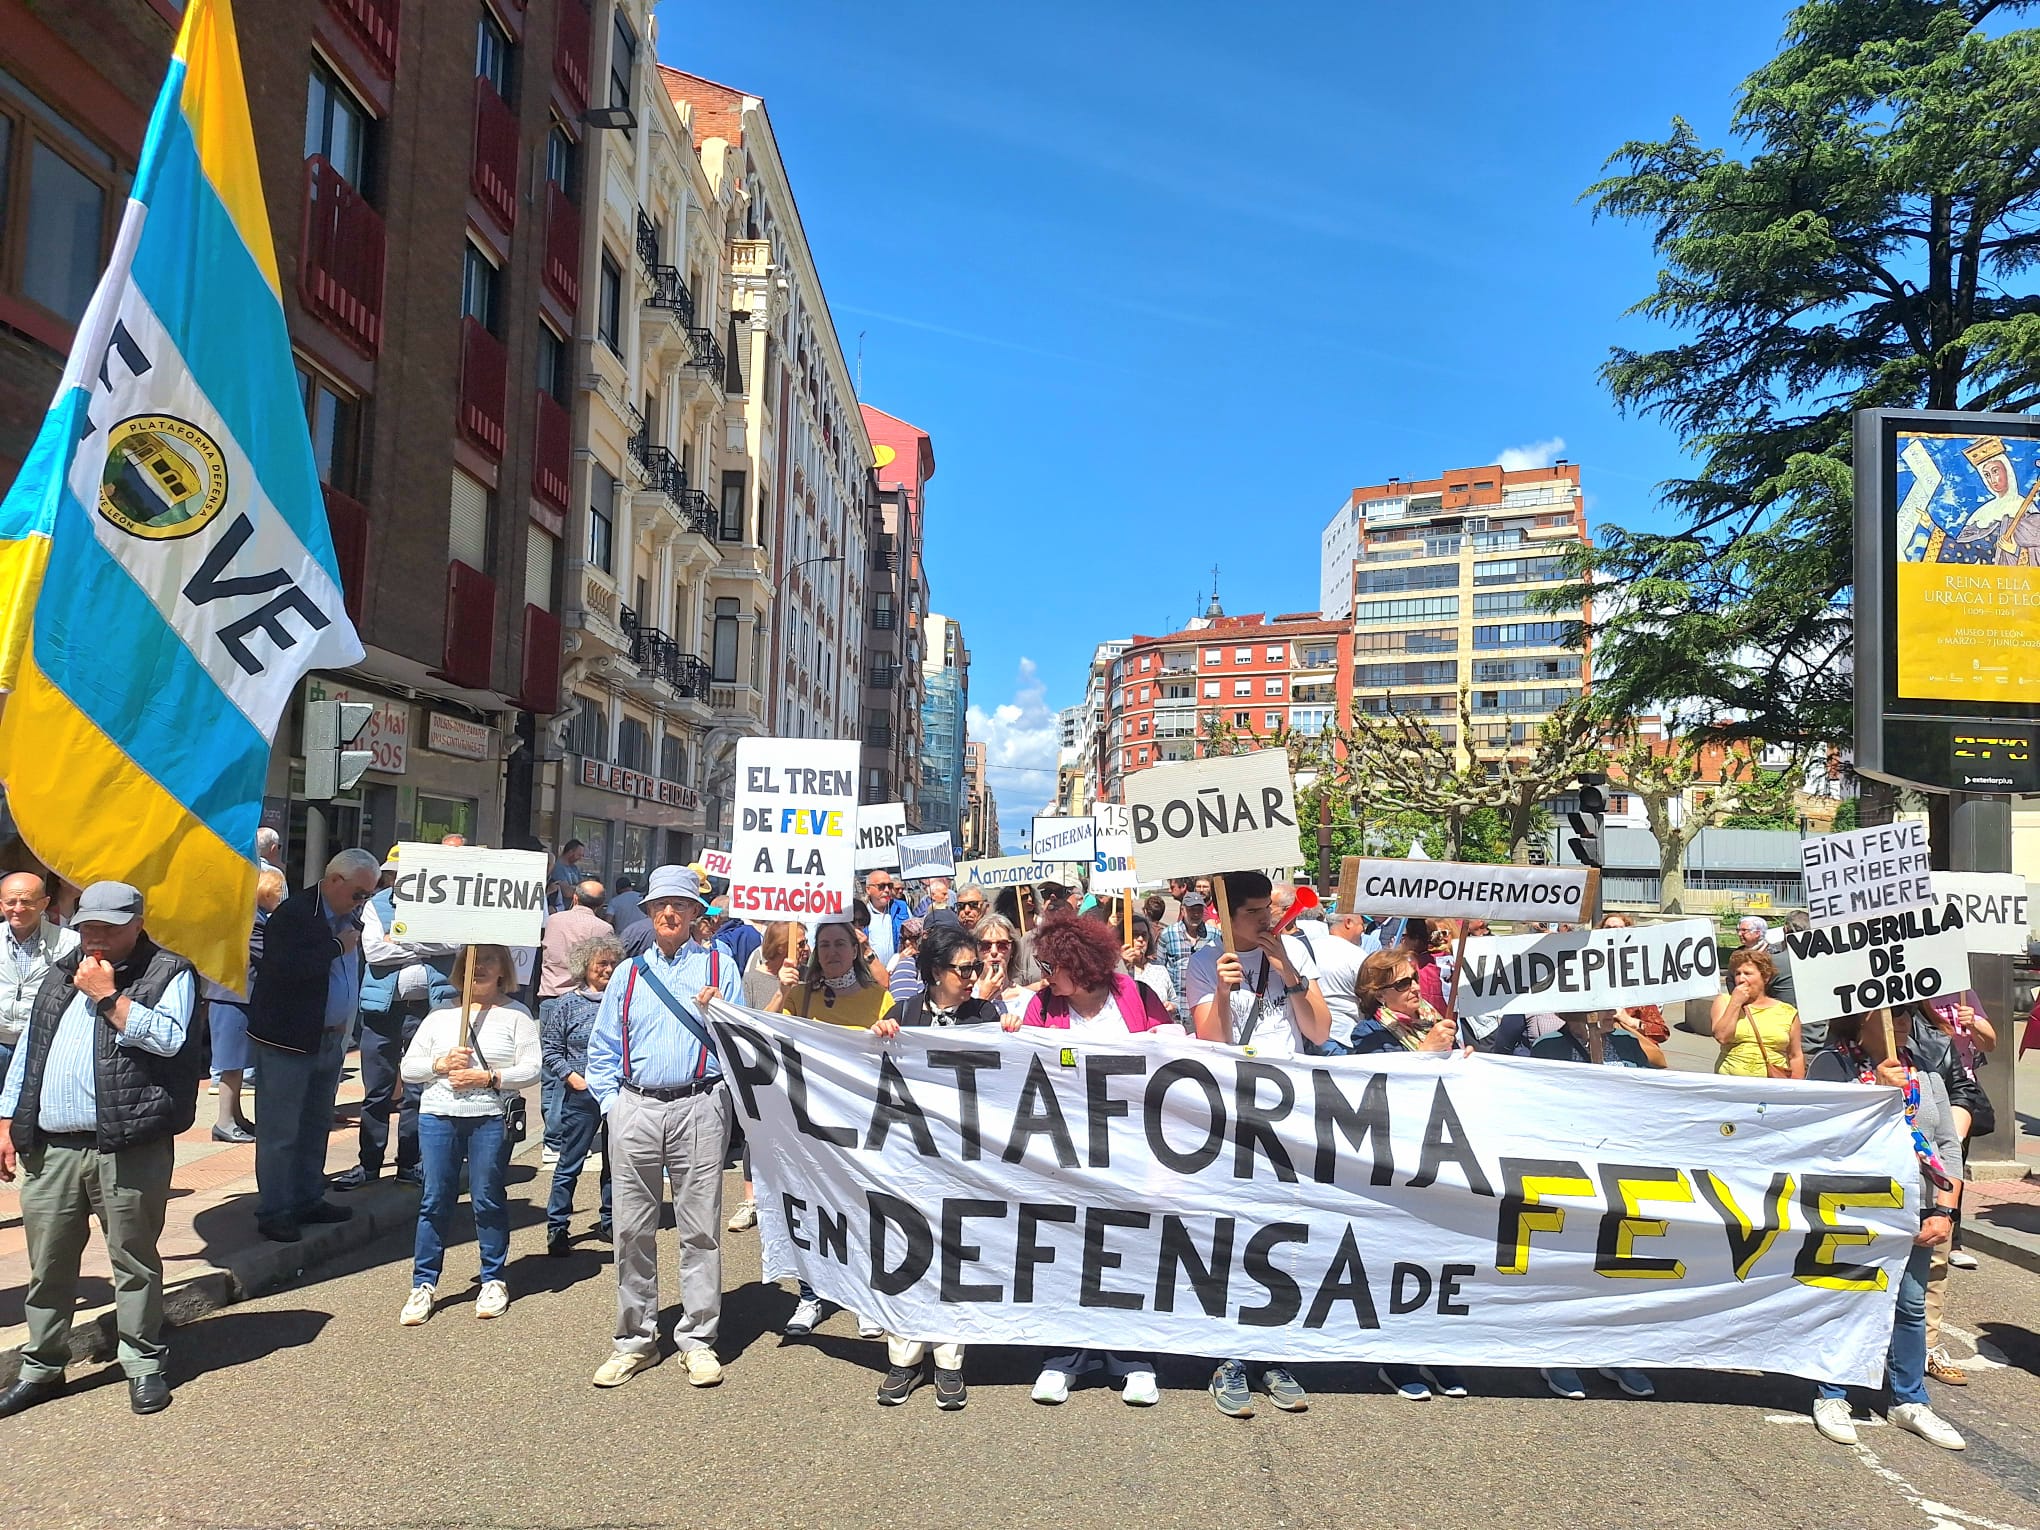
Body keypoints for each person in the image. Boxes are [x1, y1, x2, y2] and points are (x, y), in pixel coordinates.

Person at [0, 882, 201, 1418]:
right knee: (48, 1263)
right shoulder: (61, 970)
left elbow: (169, 1039)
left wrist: (108, 997)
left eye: (110, 929)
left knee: (133, 1259)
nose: (97, 939)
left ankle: (142, 1363)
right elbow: (30, 1051)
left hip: (127, 1144)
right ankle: (42, 1367)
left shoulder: (169, 972)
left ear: (139, 922)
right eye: (90, 926)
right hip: (53, 1149)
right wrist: (6, 1120)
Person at [584, 866, 744, 1389]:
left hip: (700, 1105)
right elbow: (603, 1048)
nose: (670, 914)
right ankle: (635, 1340)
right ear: (649, 914)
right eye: (660, 906)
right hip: (636, 1108)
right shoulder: (628, 974)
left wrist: (719, 1016)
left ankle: (698, 1339)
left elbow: (743, 1046)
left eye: (679, 904)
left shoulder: (720, 967)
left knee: (700, 1230)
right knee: (632, 1230)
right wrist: (613, 1106)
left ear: (696, 912)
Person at [1011, 911, 1170, 1407]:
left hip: (1131, 1147)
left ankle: (1132, 1359)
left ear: (1078, 965)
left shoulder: (1137, 998)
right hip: (1065, 1152)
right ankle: (1064, 1357)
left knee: (1127, 1250)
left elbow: (1174, 1055)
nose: (1042, 974)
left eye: (1050, 965)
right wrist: (1009, 1034)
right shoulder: (1040, 1005)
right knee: (1067, 1252)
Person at [1186, 872, 1331, 1418]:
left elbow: (1318, 1032)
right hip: (1231, 1116)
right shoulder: (1205, 961)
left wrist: (1289, 973)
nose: (1266, 921)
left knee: (1283, 1233)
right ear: (1226, 915)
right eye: (1252, 913)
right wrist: (1222, 989)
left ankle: (1273, 1352)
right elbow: (1210, 1042)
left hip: (1289, 1114)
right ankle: (1227, 1357)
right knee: (1231, 1232)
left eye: (1268, 909)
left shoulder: (1292, 950)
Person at [1804, 1009, 1966, 1451]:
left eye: (1906, 1017)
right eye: (1890, 1016)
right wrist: (1875, 1091)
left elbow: (1947, 1146)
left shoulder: (1927, 1076)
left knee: (1910, 1305)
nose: (1900, 1025)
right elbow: (1822, 1135)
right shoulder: (1830, 1066)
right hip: (1856, 1206)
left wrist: (1945, 1210)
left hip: (1915, 1206)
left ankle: (1909, 1399)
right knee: (1845, 1294)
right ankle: (1832, 1393)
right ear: (1859, 1022)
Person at [864, 924, 999, 1409]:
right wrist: (878, 1038)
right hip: (910, 1157)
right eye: (964, 969)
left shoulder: (985, 1014)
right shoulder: (902, 1013)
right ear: (934, 971)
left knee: (954, 1258)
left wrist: (1009, 1037)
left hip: (963, 1159)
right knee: (907, 1253)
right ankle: (903, 1359)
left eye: (976, 968)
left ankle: (950, 1362)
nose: (972, 977)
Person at [767, 916, 895, 1338]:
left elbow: (896, 1057)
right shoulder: (798, 994)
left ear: (855, 951)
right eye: (825, 946)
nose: (833, 952)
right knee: (809, 1206)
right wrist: (782, 993)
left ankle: (866, 1296)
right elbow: (756, 1034)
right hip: (806, 1123)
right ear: (815, 953)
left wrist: (886, 1032)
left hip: (860, 1123)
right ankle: (812, 1293)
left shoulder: (880, 999)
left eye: (841, 944)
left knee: (862, 1207)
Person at [396, 945, 539, 1324]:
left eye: (489, 960)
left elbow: (532, 1068)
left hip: (489, 1118)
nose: (479, 969)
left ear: (502, 969)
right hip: (439, 1117)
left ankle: (492, 1278)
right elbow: (409, 1067)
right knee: (434, 1199)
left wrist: (489, 1077)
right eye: (472, 961)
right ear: (460, 969)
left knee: (487, 1197)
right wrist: (439, 1064)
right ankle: (423, 1284)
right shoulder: (441, 1016)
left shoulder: (516, 1015)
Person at [1527, 1008, 1663, 1401]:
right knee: (1570, 1259)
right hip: (1571, 1168)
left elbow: (1653, 1081)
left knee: (1620, 1262)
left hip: (1623, 1168)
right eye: (1604, 1004)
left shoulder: (1626, 1043)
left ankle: (1616, 1350)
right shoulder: (1548, 1047)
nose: (1612, 1009)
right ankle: (1559, 1353)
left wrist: (1621, 1030)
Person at [246, 848, 379, 1243]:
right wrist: (338, 946)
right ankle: (275, 1209)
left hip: (331, 1038)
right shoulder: (296, 913)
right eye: (358, 894)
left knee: (315, 1124)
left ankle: (307, 1197)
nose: (362, 902)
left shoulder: (348, 917)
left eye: (367, 896)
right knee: (280, 1131)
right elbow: (288, 969)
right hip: (288, 1039)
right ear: (334, 880)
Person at [337, 850, 456, 1190]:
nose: (402, 880)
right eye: (397, 874)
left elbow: (453, 943)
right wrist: (426, 946)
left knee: (418, 1090)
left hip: (426, 1010)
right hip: (383, 1010)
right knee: (377, 1090)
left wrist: (401, 940)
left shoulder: (441, 906)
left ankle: (409, 1164)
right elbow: (374, 952)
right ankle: (369, 1164)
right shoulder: (377, 904)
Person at [540, 935, 621, 1255]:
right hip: (582, 1093)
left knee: (615, 1163)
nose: (608, 969)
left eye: (613, 963)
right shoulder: (567, 1004)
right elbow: (550, 1049)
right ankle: (557, 1225)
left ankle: (610, 1219)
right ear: (585, 967)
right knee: (570, 1162)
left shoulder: (622, 999)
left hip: (616, 1092)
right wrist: (572, 1078)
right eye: (602, 963)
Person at [206, 868, 286, 1144]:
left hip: (239, 995)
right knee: (230, 1063)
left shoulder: (256, 915)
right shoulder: (252, 918)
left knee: (238, 1063)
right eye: (278, 891)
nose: (281, 896)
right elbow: (265, 954)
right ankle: (225, 1121)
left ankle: (236, 1116)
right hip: (233, 997)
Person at [538, 880, 613, 1165]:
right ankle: (567, 1133)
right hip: (585, 1000)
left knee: (553, 1066)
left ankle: (552, 1138)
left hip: (550, 996)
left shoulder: (553, 921)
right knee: (580, 1063)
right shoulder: (603, 929)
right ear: (601, 906)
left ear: (575, 899)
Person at [0, 870, 80, 1091]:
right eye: (11, 902)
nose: (18, 909)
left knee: (27, 1114)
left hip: (39, 1044)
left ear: (44, 903)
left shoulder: (71, 943)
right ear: (0, 905)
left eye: (26, 901)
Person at [1711, 945, 1803, 1078]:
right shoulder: (1724, 1002)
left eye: (1747, 973)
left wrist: (1797, 1091)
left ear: (1765, 977)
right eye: (1738, 973)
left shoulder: (1787, 1012)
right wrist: (1736, 1002)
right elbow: (1722, 1036)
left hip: (1771, 1088)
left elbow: (1795, 1056)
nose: (1741, 979)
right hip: (1730, 1086)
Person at [1313, 907, 1369, 1055]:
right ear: (1348, 922)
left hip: (1311, 1032)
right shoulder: (1358, 956)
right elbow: (1369, 996)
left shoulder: (1308, 948)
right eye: (1361, 924)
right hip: (1342, 1036)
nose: (1363, 930)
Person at [1159, 890, 1218, 1004]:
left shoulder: (1214, 935)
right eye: (1191, 910)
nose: (1196, 914)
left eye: (1199, 910)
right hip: (1176, 1004)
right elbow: (1159, 969)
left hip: (1206, 1002)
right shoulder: (1168, 935)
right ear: (1183, 910)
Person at [966, 912, 1034, 1012]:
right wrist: (983, 999)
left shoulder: (1029, 1000)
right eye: (985, 946)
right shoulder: (964, 995)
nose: (994, 951)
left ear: (1013, 949)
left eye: (1002, 945)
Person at [1120, 913, 1176, 1018]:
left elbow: (1173, 999)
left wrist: (1172, 1006)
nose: (1141, 939)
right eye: (1135, 934)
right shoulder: (1117, 969)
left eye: (1144, 935)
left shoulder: (1159, 969)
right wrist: (1124, 965)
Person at [863, 870, 912, 972]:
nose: (886, 890)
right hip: (872, 975)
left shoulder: (901, 907)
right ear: (868, 889)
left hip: (899, 971)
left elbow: (914, 938)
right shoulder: (861, 913)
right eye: (881, 886)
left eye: (889, 886)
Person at [889, 918, 927, 1005]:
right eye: (904, 938)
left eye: (912, 938)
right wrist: (899, 959)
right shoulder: (897, 958)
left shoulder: (926, 961)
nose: (907, 942)